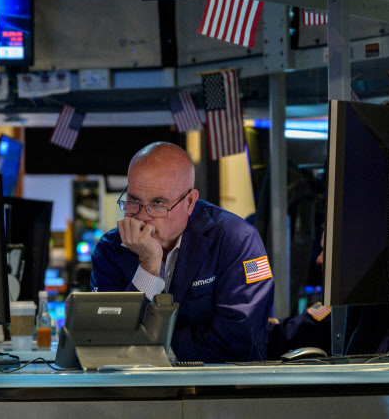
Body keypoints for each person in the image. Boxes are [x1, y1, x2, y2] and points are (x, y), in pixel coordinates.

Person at [90, 142, 274, 363]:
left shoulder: (238, 240)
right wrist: (148, 267)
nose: (142, 216)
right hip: (135, 382)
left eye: (158, 203)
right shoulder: (110, 248)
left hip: (223, 381)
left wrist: (148, 350)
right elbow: (107, 337)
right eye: (133, 200)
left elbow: (237, 337)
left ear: (189, 202)